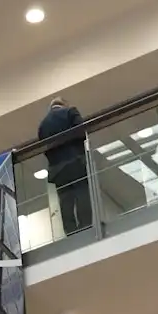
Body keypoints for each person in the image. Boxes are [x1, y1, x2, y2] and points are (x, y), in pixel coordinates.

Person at [38, 97, 93, 236]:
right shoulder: (70, 111)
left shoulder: (43, 125)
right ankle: (86, 227)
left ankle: (71, 232)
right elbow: (81, 132)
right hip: (75, 161)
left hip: (57, 169)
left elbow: (43, 146)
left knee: (65, 201)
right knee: (82, 194)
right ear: (64, 105)